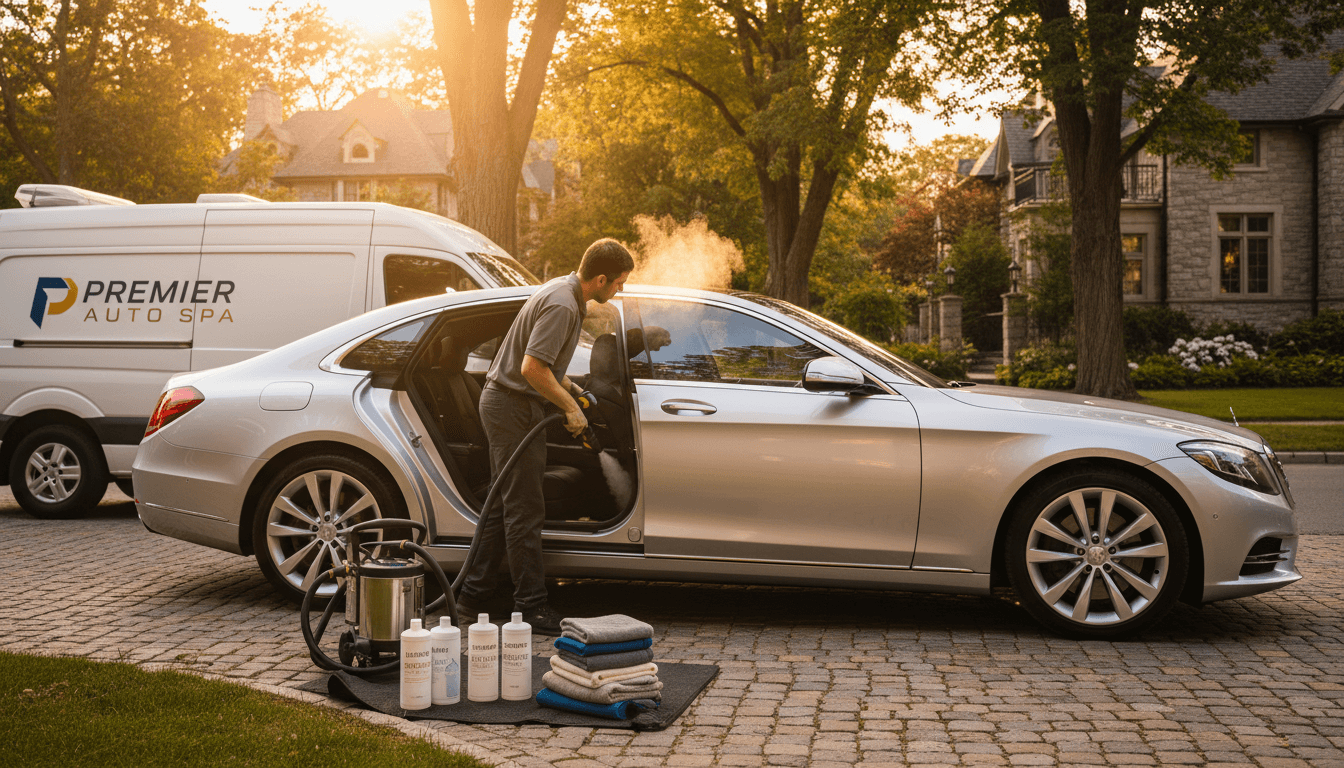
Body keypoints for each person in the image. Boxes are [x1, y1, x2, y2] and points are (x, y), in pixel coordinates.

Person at [456, 239, 634, 633]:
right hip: (511, 407)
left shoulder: (563, 292)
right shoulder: (562, 304)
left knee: (506, 505)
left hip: (514, 405)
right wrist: (570, 409)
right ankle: (530, 608)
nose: (619, 290)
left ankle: (472, 597)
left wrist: (571, 389)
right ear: (600, 278)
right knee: (524, 508)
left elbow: (546, 367)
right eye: (618, 283)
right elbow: (532, 368)